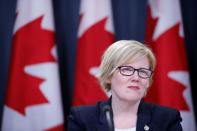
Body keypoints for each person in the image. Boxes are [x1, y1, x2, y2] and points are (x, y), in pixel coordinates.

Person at [67, 40, 183, 131]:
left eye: (143, 71)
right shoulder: (82, 118)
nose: (136, 78)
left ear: (148, 81)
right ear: (108, 76)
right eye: (127, 69)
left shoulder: (167, 118)